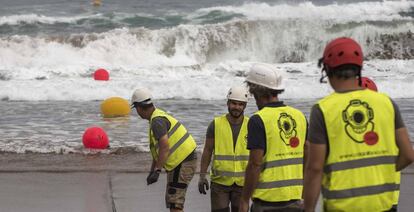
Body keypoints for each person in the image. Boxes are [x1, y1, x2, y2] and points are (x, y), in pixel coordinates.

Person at [304, 37, 414, 212]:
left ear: (328, 69)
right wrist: (382, 172)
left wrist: (308, 208)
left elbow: (315, 168)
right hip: (382, 206)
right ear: (359, 69)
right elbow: (408, 155)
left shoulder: (323, 109)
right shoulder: (387, 103)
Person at [239, 63, 308, 212]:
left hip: (267, 203)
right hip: (296, 201)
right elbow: (307, 156)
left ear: (255, 90)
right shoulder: (300, 116)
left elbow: (255, 164)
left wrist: (244, 199)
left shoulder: (258, 120)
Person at [131, 87, 197, 212]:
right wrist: (152, 170)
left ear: (139, 107)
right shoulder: (157, 116)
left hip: (183, 162)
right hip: (183, 161)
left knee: (175, 203)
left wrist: (157, 171)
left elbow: (164, 146)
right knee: (174, 202)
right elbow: (158, 151)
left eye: (136, 109)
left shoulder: (157, 122)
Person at [198, 86, 250, 212]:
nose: (236, 107)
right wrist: (202, 176)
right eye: (233, 103)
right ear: (228, 103)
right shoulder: (215, 124)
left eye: (240, 104)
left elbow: (258, 154)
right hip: (220, 183)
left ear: (245, 106)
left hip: (243, 183)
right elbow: (207, 151)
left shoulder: (251, 125)